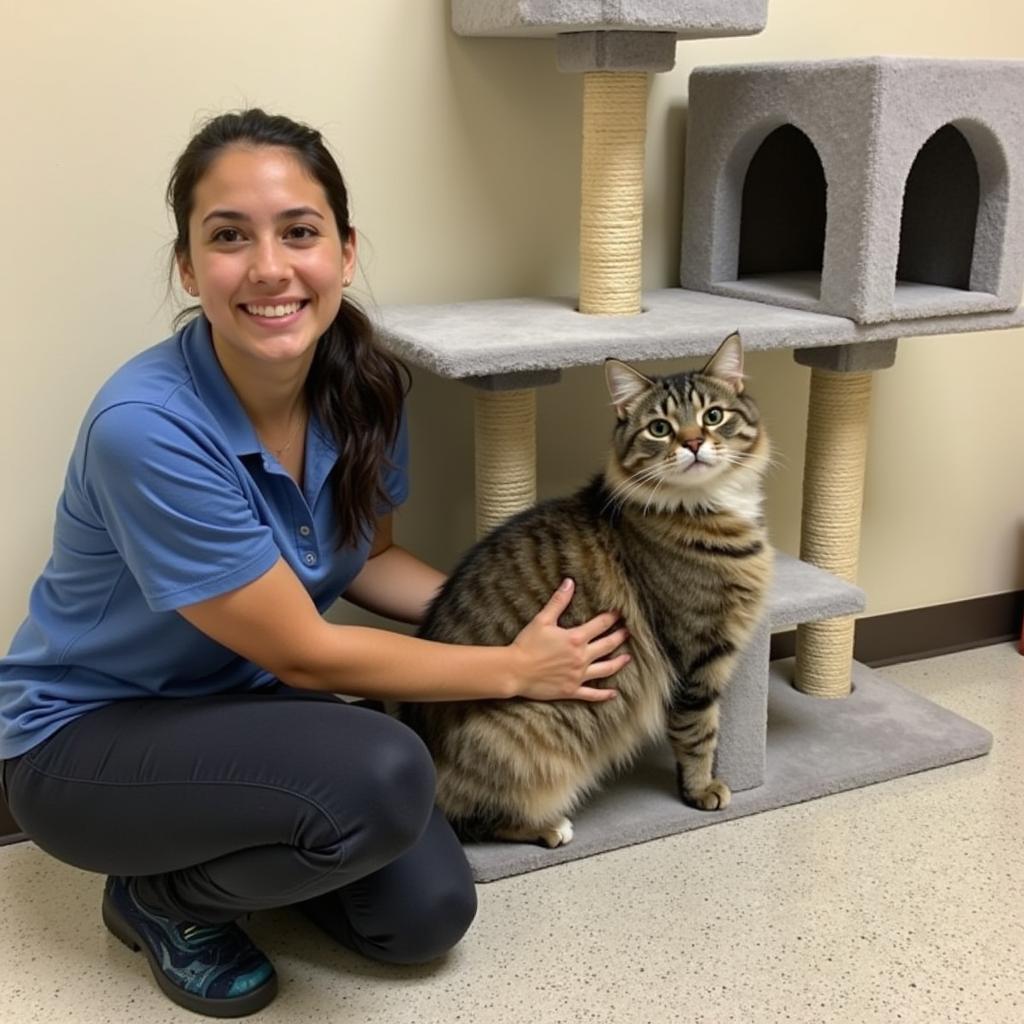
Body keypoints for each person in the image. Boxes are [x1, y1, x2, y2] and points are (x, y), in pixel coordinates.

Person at [0, 109, 631, 1018]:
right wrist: (510, 668)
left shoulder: (361, 385)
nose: (269, 267)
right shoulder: (146, 427)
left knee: (426, 919)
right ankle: (158, 896)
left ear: (342, 250)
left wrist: (524, 619)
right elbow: (305, 651)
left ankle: (225, 855)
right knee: (384, 772)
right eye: (228, 237)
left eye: (299, 232)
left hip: (238, 708)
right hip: (85, 744)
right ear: (187, 265)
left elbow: (368, 561)